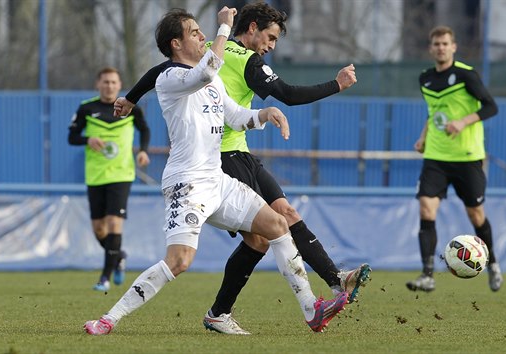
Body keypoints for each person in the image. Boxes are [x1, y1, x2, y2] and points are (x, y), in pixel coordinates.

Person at [83, 7, 348, 336]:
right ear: (176, 44)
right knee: (179, 261)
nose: (201, 35)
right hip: (186, 184)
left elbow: (236, 117)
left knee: (277, 225)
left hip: (217, 181)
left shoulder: (212, 81)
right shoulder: (171, 78)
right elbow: (207, 72)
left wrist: (264, 114)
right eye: (194, 32)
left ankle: (311, 308)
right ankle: (109, 319)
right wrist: (224, 26)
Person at [406, 26, 503, 292]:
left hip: (467, 157)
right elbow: (433, 111)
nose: (441, 48)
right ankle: (427, 275)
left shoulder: (466, 75)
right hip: (436, 156)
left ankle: (492, 264)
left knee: (476, 215)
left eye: (445, 44)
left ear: (453, 47)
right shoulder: (425, 78)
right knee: (426, 208)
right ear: (431, 48)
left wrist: (463, 121)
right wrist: (423, 137)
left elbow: (491, 106)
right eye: (436, 44)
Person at [68, 67, 151, 292]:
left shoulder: (129, 107)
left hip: (121, 174)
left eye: (114, 82)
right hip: (95, 175)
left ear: (119, 84)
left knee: (114, 223)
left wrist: (143, 150)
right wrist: (87, 139)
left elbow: (144, 130)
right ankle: (119, 256)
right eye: (105, 82)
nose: (109, 86)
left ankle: (104, 277)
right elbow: (71, 137)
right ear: (98, 84)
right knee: (99, 230)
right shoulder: (87, 108)